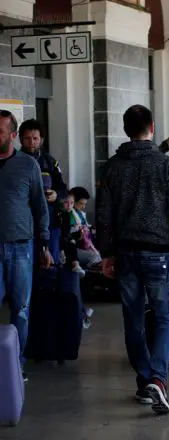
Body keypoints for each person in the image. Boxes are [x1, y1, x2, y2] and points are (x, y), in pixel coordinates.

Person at [97, 104, 169, 416]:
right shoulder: (165, 166)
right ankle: (158, 378)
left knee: (133, 318)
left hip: (126, 252)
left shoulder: (113, 166)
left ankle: (144, 380)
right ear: (152, 127)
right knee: (165, 316)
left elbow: (104, 215)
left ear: (126, 129)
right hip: (158, 253)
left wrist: (106, 254)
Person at [0, 110, 53, 381]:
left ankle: (15, 365)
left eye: (0, 131)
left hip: (21, 246)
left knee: (21, 309)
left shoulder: (27, 166)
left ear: (12, 135)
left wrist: (44, 245)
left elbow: (39, 207)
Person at [19, 119, 67, 264]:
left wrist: (56, 195)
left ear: (41, 140)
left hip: (50, 222)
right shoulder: (14, 162)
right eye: (27, 138)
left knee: (50, 266)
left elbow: (63, 188)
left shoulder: (50, 162)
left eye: (35, 138)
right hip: (24, 224)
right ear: (20, 139)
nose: (31, 142)